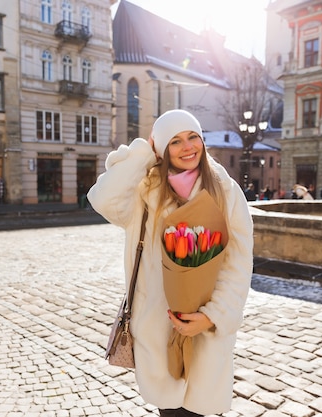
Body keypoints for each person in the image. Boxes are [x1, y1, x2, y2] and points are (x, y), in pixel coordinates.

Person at [87, 109, 253, 416]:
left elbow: (238, 263)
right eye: (174, 142)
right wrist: (142, 155)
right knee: (170, 410)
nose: (188, 147)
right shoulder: (146, 190)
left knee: (195, 408)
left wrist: (213, 315)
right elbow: (103, 199)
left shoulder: (225, 191)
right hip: (157, 326)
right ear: (161, 148)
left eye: (193, 137)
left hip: (204, 325)